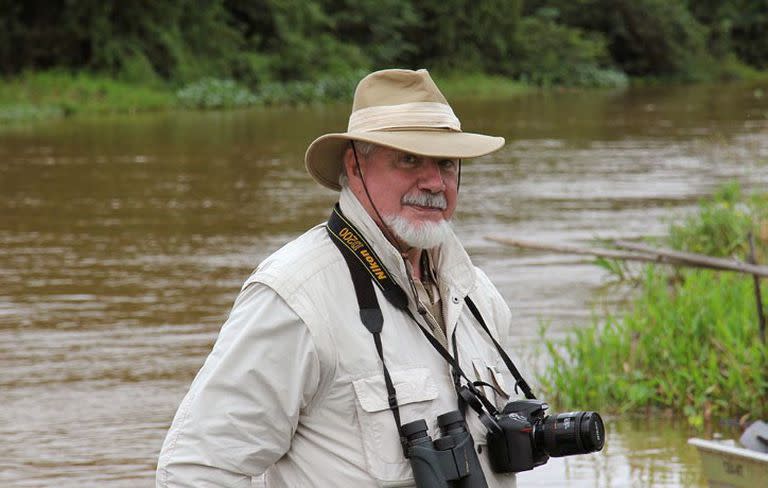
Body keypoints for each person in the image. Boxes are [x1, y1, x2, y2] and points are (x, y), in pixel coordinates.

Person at [157, 69, 520, 487]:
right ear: (355, 166)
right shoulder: (296, 296)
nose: (434, 182)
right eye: (408, 159)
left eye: (446, 162)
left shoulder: (478, 293)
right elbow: (196, 469)